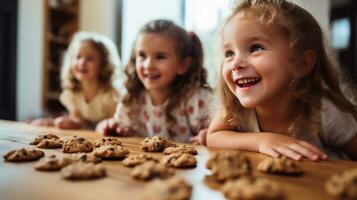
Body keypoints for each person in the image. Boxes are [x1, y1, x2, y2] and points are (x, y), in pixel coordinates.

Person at [206, 0, 357, 160]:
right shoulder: (235, 107)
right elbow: (214, 136)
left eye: (255, 48)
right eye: (230, 53)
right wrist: (261, 141)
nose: (235, 64)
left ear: (302, 63)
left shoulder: (324, 112)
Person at [96, 19, 213, 144]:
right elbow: (110, 127)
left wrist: (209, 135)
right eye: (142, 56)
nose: (148, 65)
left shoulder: (198, 100)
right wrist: (108, 127)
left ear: (183, 65)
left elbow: (224, 131)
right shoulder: (132, 101)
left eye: (160, 57)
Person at [30, 32, 121, 129]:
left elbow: (113, 125)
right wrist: (54, 122)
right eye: (78, 57)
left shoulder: (111, 95)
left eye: (90, 58)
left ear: (104, 64)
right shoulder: (72, 94)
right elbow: (78, 123)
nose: (82, 62)